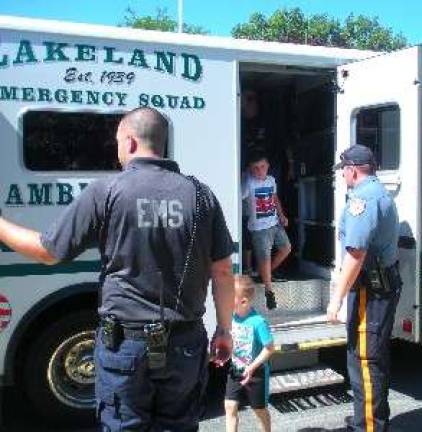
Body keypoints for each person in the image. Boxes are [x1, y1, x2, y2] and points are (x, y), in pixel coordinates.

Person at [0, 107, 235, 431]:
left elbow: (48, 251)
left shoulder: (106, 191)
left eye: (118, 143)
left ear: (131, 142)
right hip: (184, 344)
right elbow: (222, 271)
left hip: (126, 346)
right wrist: (224, 329)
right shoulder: (201, 194)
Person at [327, 145, 403, 432]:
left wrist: (335, 300)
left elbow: (356, 254)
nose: (342, 175)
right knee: (369, 359)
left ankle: (369, 427)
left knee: (365, 363)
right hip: (378, 286)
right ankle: (367, 421)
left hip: (372, 291)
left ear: (353, 169)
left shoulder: (363, 199)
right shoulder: (378, 192)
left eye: (343, 170)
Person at [242, 152, 291, 310]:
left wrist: (282, 215)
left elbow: (275, 199)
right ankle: (269, 292)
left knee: (286, 248)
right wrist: (245, 175)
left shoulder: (271, 180)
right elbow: (240, 194)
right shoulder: (248, 183)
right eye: (255, 168)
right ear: (250, 170)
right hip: (259, 228)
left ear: (268, 166)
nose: (259, 171)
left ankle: (263, 273)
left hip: (274, 223)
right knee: (265, 257)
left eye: (262, 167)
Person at [224, 275, 274, 432]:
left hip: (256, 373)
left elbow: (269, 348)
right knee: (230, 406)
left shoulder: (258, 322)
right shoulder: (231, 318)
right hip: (236, 369)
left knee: (259, 410)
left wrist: (252, 367)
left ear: (244, 301)